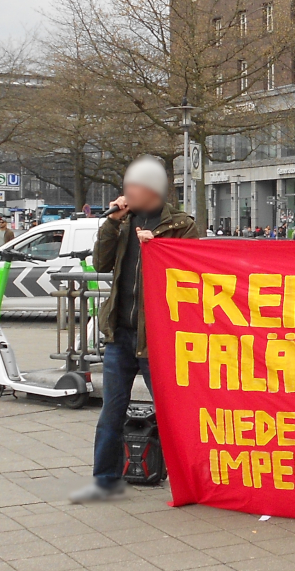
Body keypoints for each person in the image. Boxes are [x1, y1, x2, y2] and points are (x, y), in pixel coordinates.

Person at [70, 156, 199, 503]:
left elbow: (189, 274)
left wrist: (156, 245)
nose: (128, 192)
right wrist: (112, 222)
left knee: (172, 412)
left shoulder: (181, 225)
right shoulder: (123, 222)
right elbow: (101, 263)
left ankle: (188, 481)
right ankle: (105, 479)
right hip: (120, 333)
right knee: (112, 411)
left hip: (156, 337)